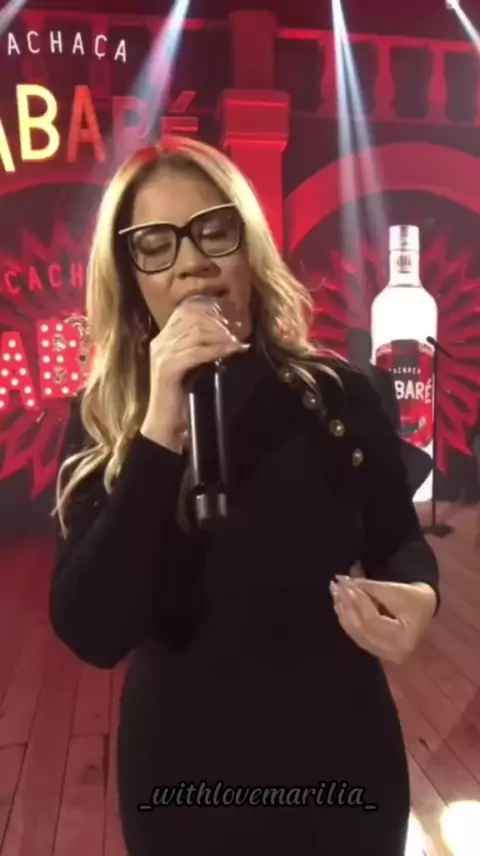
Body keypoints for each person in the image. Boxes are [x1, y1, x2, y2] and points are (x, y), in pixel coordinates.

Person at [49, 135, 440, 856]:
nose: (191, 261)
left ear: (249, 248)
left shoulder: (340, 394)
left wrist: (420, 596)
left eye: (213, 230)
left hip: (344, 766)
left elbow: (399, 540)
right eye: (156, 245)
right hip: (184, 784)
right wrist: (159, 431)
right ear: (131, 278)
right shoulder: (105, 419)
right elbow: (93, 629)